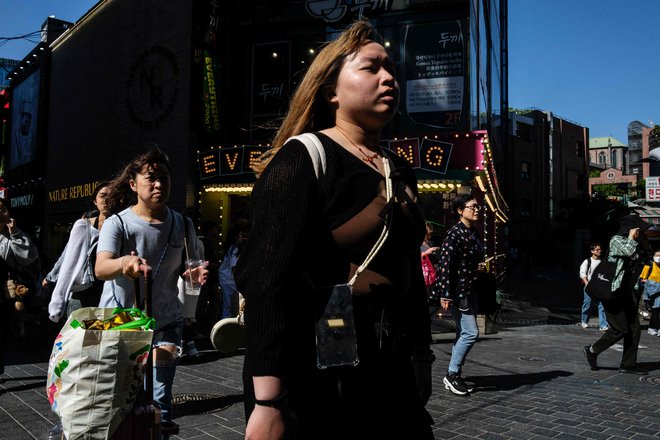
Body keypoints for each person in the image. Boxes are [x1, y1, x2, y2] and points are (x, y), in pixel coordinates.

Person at [235, 20, 434, 439]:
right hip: (318, 370)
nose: (388, 78)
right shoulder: (303, 158)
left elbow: (410, 275)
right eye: (370, 68)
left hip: (391, 366)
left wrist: (421, 355)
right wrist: (268, 400)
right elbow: (267, 279)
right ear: (331, 91)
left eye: (391, 69)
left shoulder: (399, 169)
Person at [94, 148, 208, 434]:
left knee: (160, 397)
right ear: (134, 185)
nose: (159, 184)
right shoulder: (117, 223)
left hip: (166, 319)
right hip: (121, 320)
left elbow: (189, 266)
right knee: (120, 399)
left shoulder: (182, 224)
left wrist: (193, 274)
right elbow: (101, 268)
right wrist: (125, 262)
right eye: (152, 178)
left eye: (164, 178)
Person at [429, 194, 485, 396]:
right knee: (471, 333)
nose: (477, 209)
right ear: (460, 211)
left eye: (478, 206)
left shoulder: (473, 233)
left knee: (463, 333)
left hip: (470, 290)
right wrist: (445, 294)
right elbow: (445, 266)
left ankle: (454, 373)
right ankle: (452, 374)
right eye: (472, 207)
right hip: (457, 293)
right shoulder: (454, 234)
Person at [583, 214, 650, 374]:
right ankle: (592, 350)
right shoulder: (616, 240)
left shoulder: (636, 243)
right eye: (638, 229)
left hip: (626, 292)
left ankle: (628, 364)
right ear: (630, 229)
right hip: (612, 291)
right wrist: (632, 236)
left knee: (634, 328)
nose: (640, 232)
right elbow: (628, 250)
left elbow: (643, 259)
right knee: (620, 328)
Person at [46, 181, 110, 322]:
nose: (106, 200)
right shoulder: (83, 226)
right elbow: (68, 256)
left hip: (108, 292)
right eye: (102, 195)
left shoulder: (121, 226)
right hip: (82, 290)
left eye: (111, 196)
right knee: (77, 337)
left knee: (100, 339)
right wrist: (54, 281)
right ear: (95, 200)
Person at [0, 197, 39, 380]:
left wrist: (14, 233)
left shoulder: (15, 235)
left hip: (4, 292)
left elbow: (28, 257)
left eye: (3, 210)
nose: (0, 213)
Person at [218, 222, 248, 320]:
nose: (241, 237)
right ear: (235, 237)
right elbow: (234, 268)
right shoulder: (234, 249)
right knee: (229, 306)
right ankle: (225, 328)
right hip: (229, 281)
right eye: (240, 235)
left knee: (227, 305)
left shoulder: (230, 248)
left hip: (225, 280)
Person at [578, 242, 609, 331]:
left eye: (600, 249)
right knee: (587, 304)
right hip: (589, 286)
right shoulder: (587, 261)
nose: (599, 251)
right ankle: (584, 321)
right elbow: (582, 273)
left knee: (602, 305)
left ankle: (603, 325)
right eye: (597, 249)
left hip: (599, 287)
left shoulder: (602, 262)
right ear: (592, 251)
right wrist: (587, 284)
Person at [640, 250, 660, 336]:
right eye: (657, 255)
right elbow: (642, 279)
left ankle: (652, 328)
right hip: (652, 292)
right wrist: (653, 284)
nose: (659, 257)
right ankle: (658, 328)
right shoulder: (649, 266)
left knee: (656, 310)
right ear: (653, 256)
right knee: (655, 310)